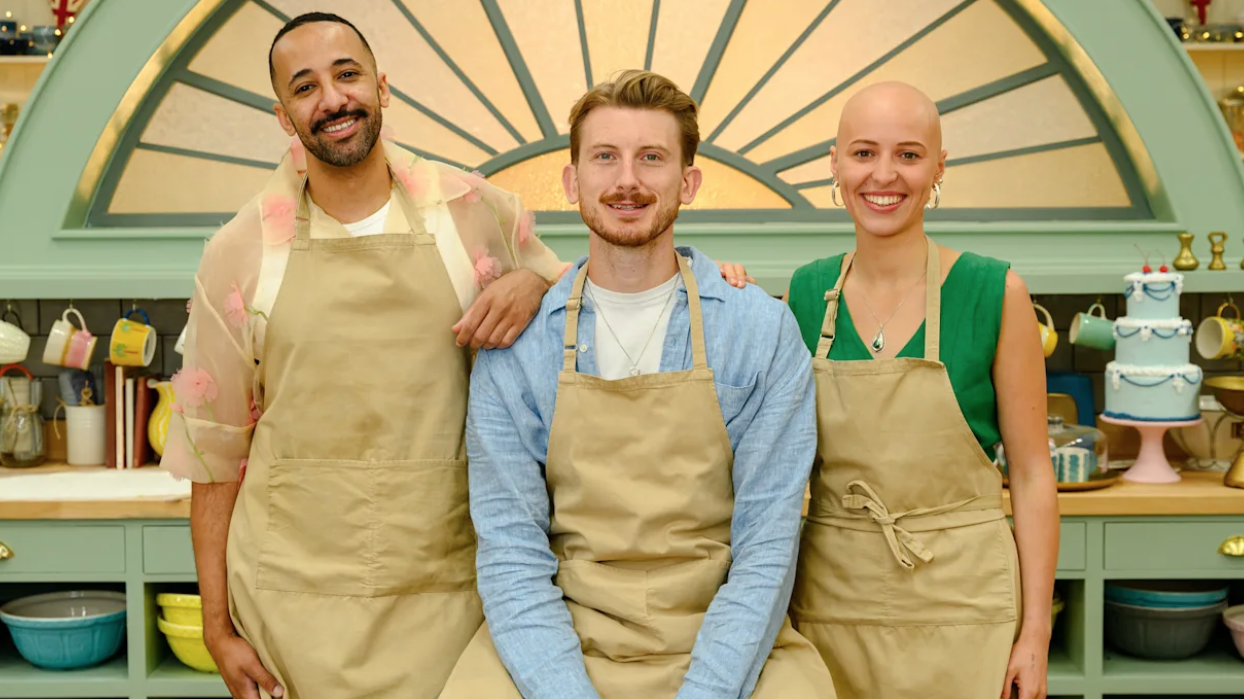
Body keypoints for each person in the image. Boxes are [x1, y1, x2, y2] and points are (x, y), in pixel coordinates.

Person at [160, 15, 754, 699]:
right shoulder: (238, 253)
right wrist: (216, 626)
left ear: (382, 87)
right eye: (306, 87)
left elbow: (595, 296)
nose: (332, 99)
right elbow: (214, 456)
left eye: (347, 74)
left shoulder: (473, 213)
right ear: (284, 115)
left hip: (447, 599)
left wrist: (537, 280)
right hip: (291, 603)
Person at [435, 69, 834, 699]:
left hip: (722, 635)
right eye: (605, 158)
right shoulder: (519, 345)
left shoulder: (759, 330)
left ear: (688, 181)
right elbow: (512, 554)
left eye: (652, 158)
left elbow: (766, 551)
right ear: (572, 182)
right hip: (564, 635)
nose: (627, 180)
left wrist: (706, 691)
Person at [784, 81, 1059, 699]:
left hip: (967, 608)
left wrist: (1034, 635)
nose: (884, 175)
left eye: (908, 154)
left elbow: (1035, 475)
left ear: (939, 167)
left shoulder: (996, 293)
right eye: (863, 153)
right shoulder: (803, 296)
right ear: (834, 163)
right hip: (833, 607)